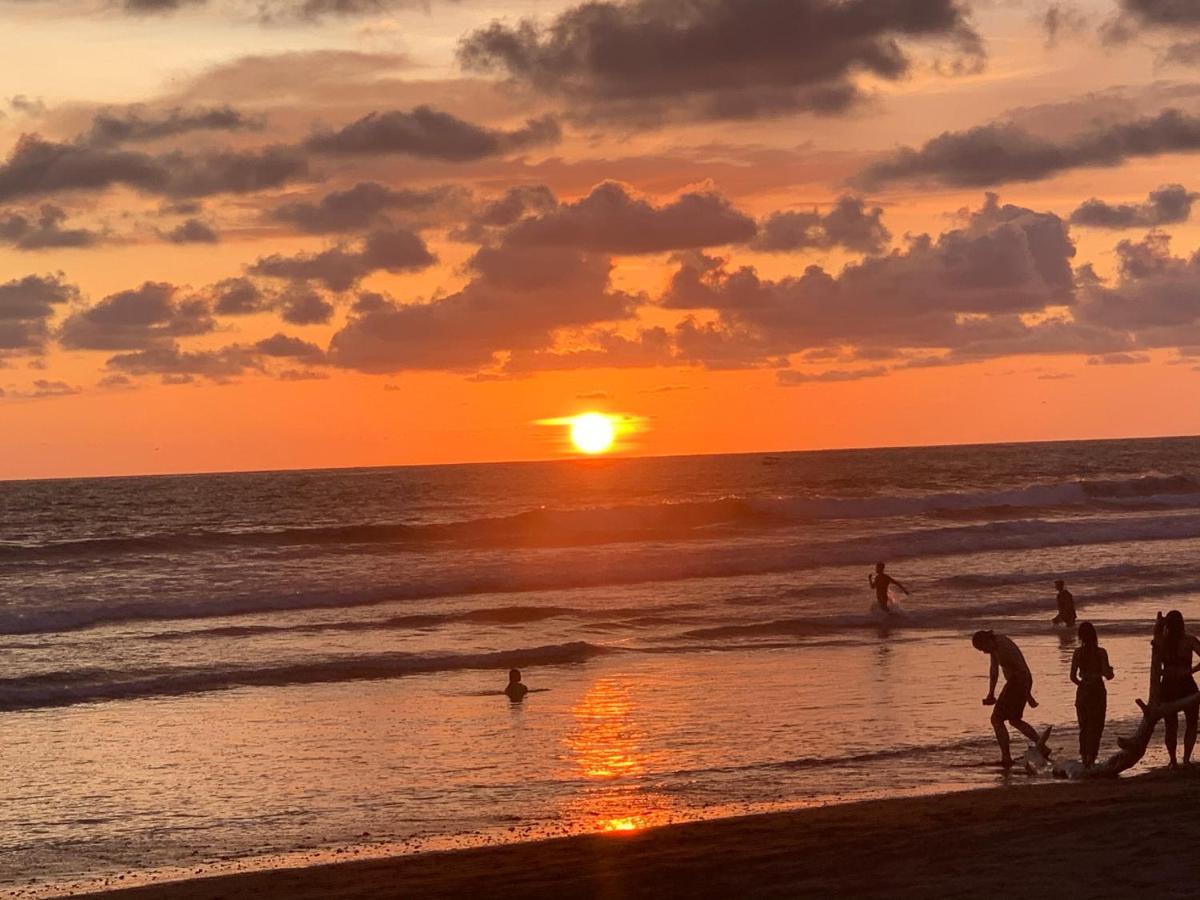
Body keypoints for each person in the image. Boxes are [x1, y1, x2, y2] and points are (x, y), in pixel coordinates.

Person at [972, 630, 1047, 768]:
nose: (983, 652)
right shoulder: (996, 645)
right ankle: (1041, 745)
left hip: (1018, 682)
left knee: (996, 719)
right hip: (1018, 682)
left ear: (987, 641)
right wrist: (991, 694)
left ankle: (1006, 757)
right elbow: (994, 670)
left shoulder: (1002, 648)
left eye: (982, 648)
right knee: (1014, 720)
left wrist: (1027, 694)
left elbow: (1019, 670)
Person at [1154, 610, 1200, 767]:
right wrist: (1192, 670)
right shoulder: (1189, 640)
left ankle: (1173, 760)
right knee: (1191, 722)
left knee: (1171, 725)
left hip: (1167, 686)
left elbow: (1155, 667)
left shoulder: (1161, 642)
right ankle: (1186, 759)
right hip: (1186, 683)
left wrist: (1158, 627)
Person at [1071, 622, 1114, 767]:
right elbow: (1107, 675)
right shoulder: (1101, 652)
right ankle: (1092, 757)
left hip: (1083, 690)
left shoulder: (1078, 653)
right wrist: (1111, 671)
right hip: (1097, 688)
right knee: (1097, 725)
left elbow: (1072, 676)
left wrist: (1082, 684)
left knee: (1084, 725)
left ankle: (1084, 758)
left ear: (1081, 636)